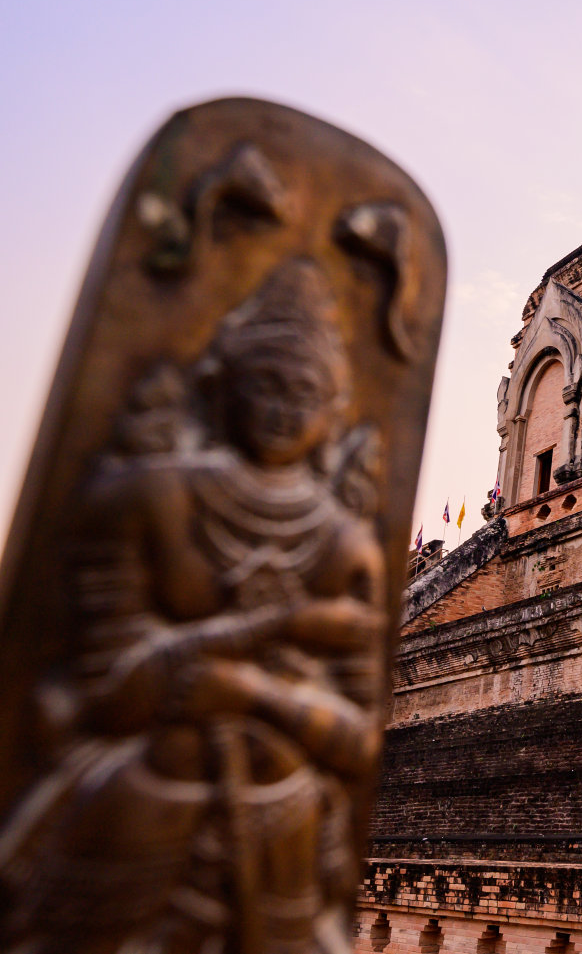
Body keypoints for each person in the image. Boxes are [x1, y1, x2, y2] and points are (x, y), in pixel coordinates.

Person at [1, 261, 385, 954]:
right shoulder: (146, 499)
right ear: (224, 383)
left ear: (333, 408)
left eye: (306, 392)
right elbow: (100, 697)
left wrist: (251, 691)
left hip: (287, 829)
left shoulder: (347, 545)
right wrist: (277, 625)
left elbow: (360, 741)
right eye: (267, 383)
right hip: (137, 808)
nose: (285, 409)